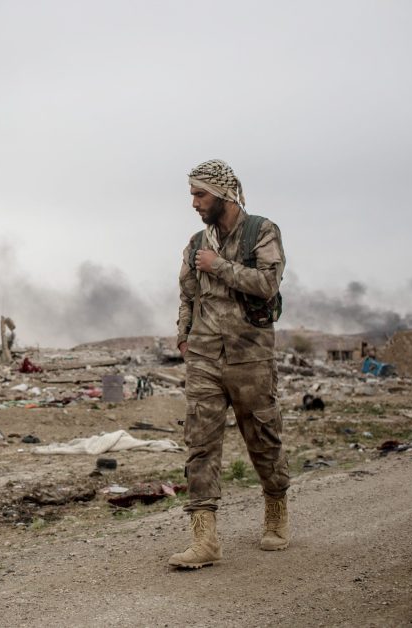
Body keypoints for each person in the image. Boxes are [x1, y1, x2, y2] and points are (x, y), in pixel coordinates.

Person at [168, 159, 290, 569]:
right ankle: (205, 540)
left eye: (199, 194)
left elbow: (267, 283)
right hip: (204, 355)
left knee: (262, 436)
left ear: (223, 195)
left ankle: (275, 509)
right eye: (191, 194)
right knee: (199, 442)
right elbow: (187, 294)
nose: (194, 203)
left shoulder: (262, 232)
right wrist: (184, 335)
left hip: (250, 354)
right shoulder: (195, 243)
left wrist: (218, 266)